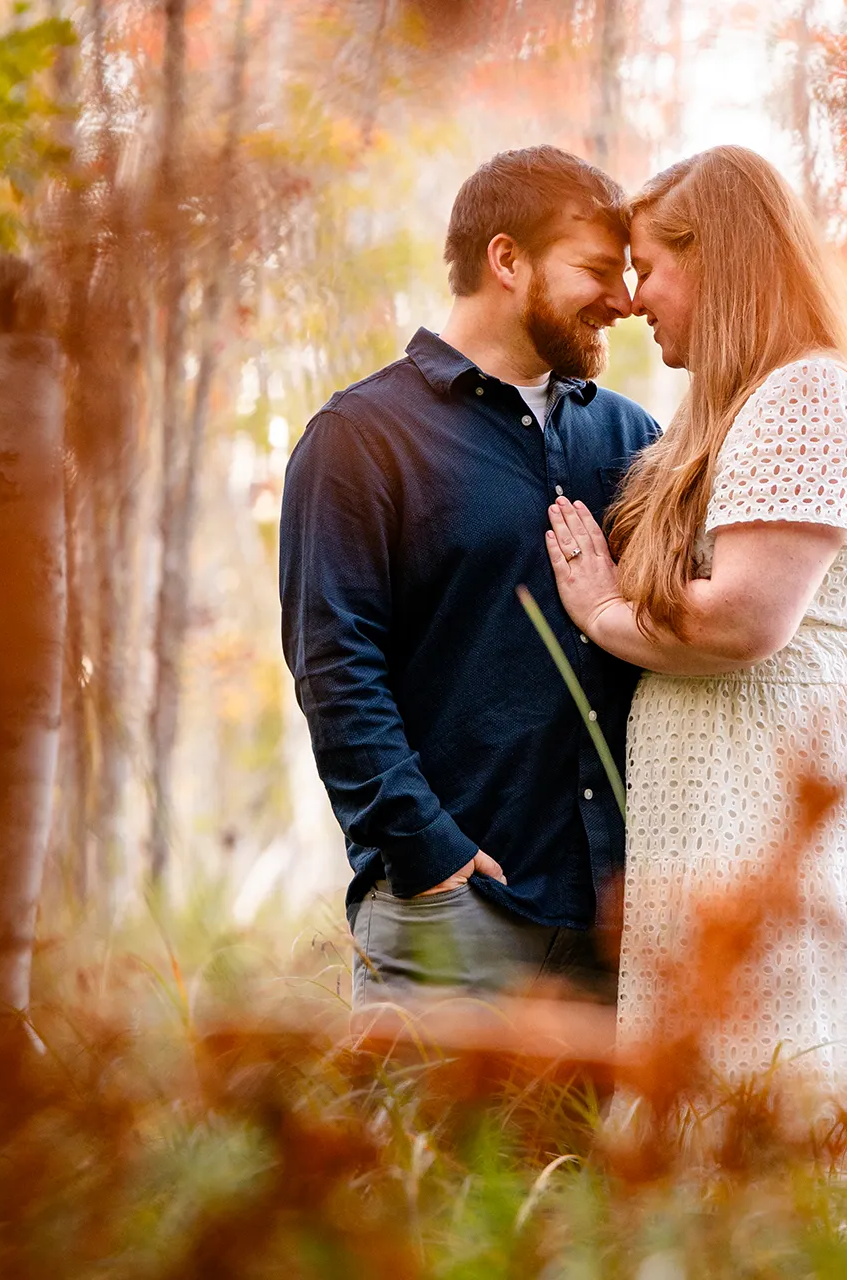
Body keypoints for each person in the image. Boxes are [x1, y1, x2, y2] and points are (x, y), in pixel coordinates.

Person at [543, 146, 847, 1120]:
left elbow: (742, 618)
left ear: (720, 259)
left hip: (793, 823)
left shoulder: (806, 394)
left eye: (650, 266)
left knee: (785, 1121)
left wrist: (604, 609)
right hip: (728, 825)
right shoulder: (737, 412)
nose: (637, 297)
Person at [279, 146, 657, 1008]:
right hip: (453, 924)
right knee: (421, 1150)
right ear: (506, 259)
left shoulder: (634, 438)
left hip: (617, 937)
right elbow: (336, 669)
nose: (624, 301)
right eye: (596, 271)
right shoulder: (360, 438)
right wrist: (426, 852)